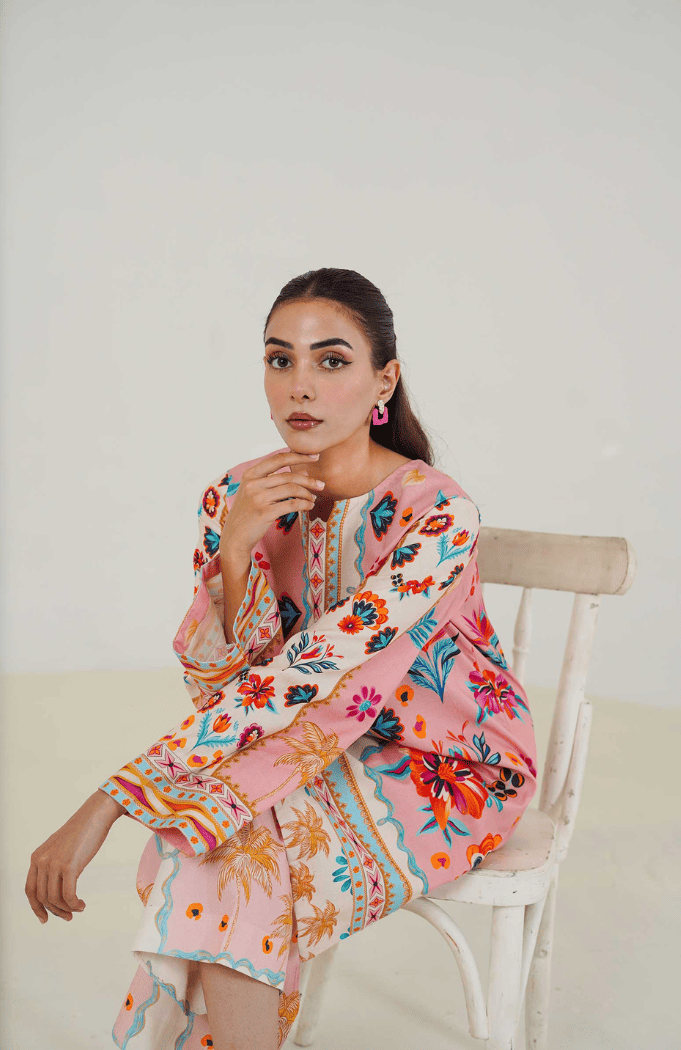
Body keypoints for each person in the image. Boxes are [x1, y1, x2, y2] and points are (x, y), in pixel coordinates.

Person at [26, 267, 538, 1049]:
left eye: (331, 361)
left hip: (445, 768)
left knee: (216, 833)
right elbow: (224, 695)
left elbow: (319, 678)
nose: (300, 385)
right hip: (302, 746)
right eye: (279, 359)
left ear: (384, 382)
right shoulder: (236, 497)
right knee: (219, 834)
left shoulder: (436, 514)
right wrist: (236, 551)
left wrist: (110, 801)